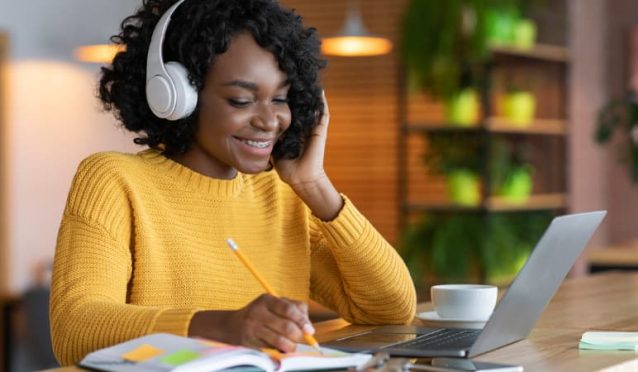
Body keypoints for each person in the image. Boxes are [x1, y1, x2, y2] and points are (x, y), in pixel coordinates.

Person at [50, 0, 416, 365]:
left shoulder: (283, 195)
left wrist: (315, 185)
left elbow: (391, 309)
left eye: (281, 99)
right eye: (242, 100)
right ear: (178, 95)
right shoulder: (113, 180)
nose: (270, 121)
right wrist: (225, 326)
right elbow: (75, 329)